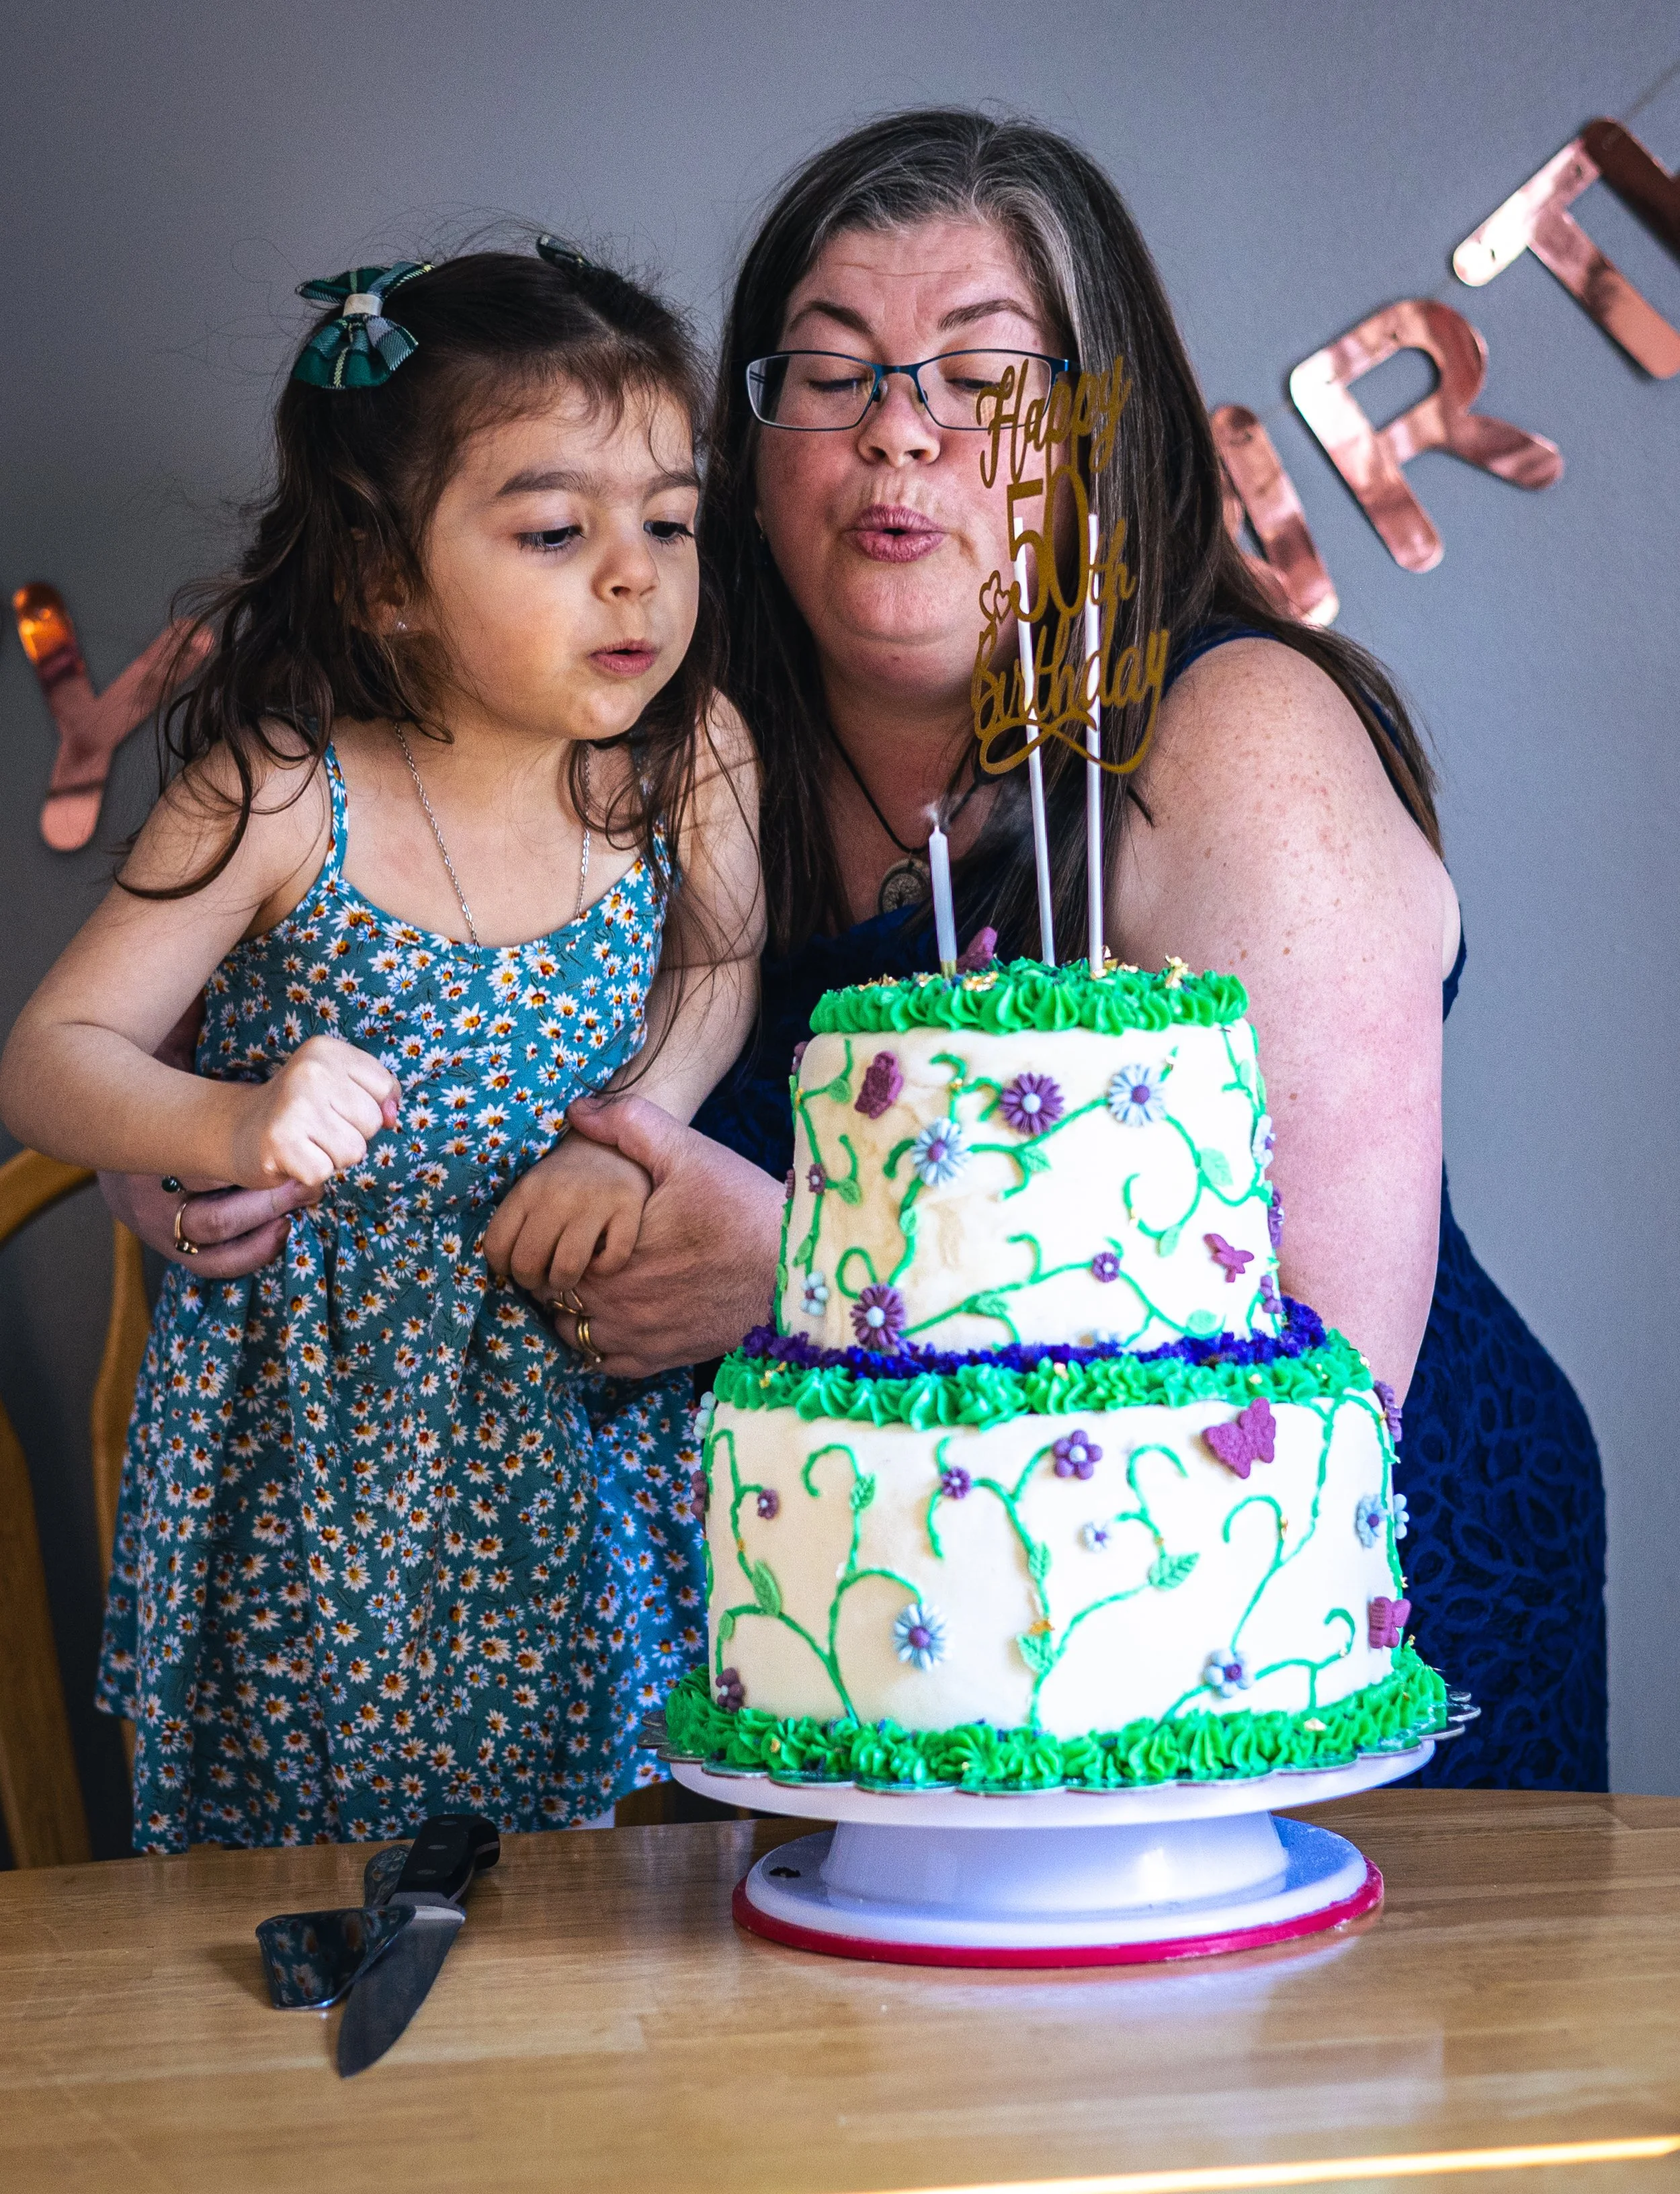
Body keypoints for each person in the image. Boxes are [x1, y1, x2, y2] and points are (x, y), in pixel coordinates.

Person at [104, 111, 1609, 1793]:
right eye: (829, 377)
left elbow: (1309, 1376)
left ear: (1095, 434)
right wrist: (181, 1167)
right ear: (743, 451)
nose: (899, 435)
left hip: (1304, 1690)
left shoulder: (1232, 738)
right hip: (844, 1702)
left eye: (979, 381)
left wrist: (814, 1277)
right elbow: (312, 1011)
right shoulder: (647, 752)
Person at [1, 244, 760, 1849]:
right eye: (557, 531)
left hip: (583, 1400)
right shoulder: (284, 791)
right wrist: (229, 1124)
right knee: (321, 1864)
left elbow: (721, 963)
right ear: (383, 578)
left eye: (670, 521)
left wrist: (638, 1119)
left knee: (614, 1870)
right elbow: (52, 1053)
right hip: (323, 1436)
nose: (636, 575)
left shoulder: (686, 754)